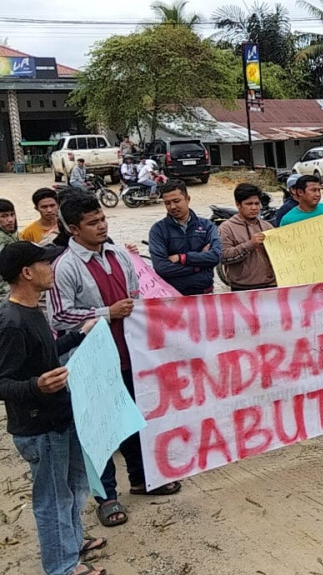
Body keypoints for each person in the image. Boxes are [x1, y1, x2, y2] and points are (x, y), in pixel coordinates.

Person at [49, 193, 183, 527]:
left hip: (128, 354)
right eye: (92, 223)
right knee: (99, 431)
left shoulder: (119, 256)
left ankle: (140, 479)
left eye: (103, 219)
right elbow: (59, 316)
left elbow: (136, 295)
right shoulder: (64, 267)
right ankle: (106, 497)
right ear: (73, 229)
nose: (101, 226)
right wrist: (107, 313)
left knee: (134, 422)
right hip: (89, 362)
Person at [1, 241, 110, 575]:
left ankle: (72, 543)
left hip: (62, 417)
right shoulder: (11, 322)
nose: (53, 269)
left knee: (75, 487)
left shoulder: (33, 309)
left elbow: (45, 354)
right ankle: (62, 567)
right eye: (45, 264)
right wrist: (37, 386)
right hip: (40, 428)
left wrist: (78, 334)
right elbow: (3, 382)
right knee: (52, 499)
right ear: (27, 272)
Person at [148, 180, 222, 296]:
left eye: (176, 201)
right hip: (173, 296)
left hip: (205, 293)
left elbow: (215, 257)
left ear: (188, 199)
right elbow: (161, 267)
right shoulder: (158, 230)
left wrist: (182, 258)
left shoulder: (207, 226)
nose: (172, 207)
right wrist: (198, 267)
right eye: (167, 203)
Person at [219, 183, 276, 291]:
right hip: (242, 288)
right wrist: (250, 244)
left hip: (270, 285)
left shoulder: (267, 226)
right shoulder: (227, 228)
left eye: (257, 203)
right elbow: (223, 257)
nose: (254, 208)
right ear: (238, 204)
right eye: (249, 204)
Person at [0, 198, 18, 300]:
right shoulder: (3, 239)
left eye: (12, 214)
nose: (10, 220)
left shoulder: (10, 235)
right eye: (4, 216)